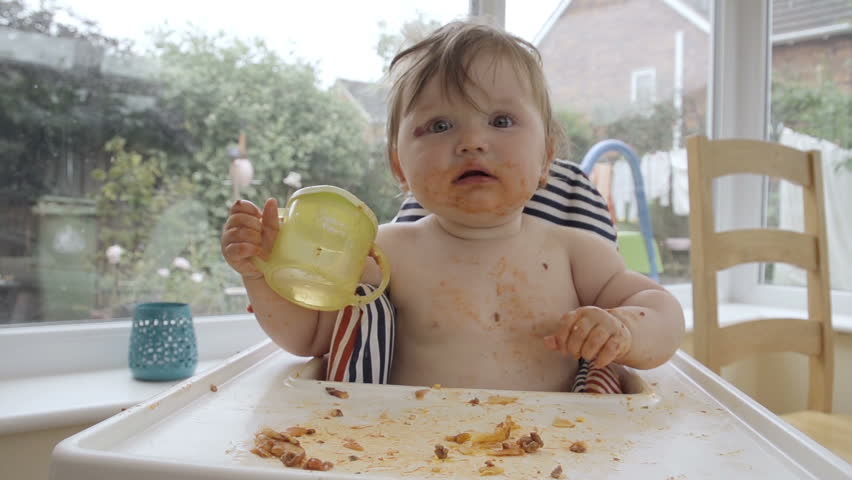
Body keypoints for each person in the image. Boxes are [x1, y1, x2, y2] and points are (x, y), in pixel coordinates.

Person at [221, 20, 684, 392]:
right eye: (439, 125)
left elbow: (662, 312)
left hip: (556, 451)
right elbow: (312, 337)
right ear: (399, 165)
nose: (472, 141)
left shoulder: (577, 254)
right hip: (407, 452)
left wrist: (623, 328)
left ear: (546, 159)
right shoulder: (382, 253)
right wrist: (261, 275)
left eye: (501, 120)